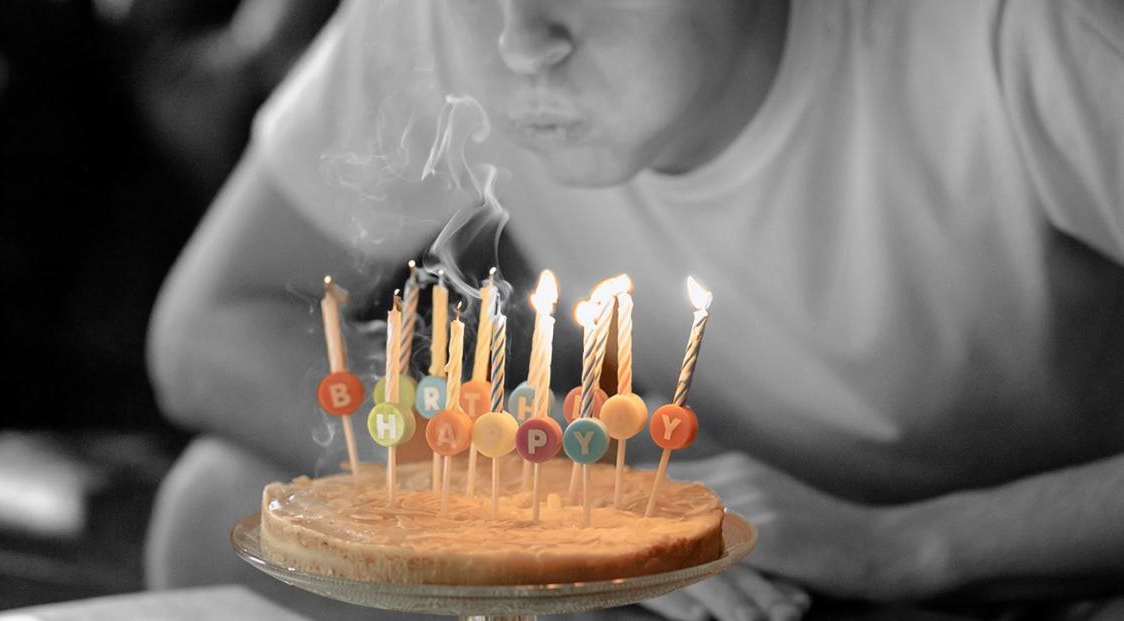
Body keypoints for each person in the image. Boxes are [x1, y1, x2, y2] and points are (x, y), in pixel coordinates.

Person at [147, 1, 1124, 619]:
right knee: (226, 507)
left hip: (1036, 557)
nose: (522, 42)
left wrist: (903, 552)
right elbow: (212, 328)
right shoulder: (447, 20)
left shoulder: (1024, 33)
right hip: (753, 558)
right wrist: (542, 506)